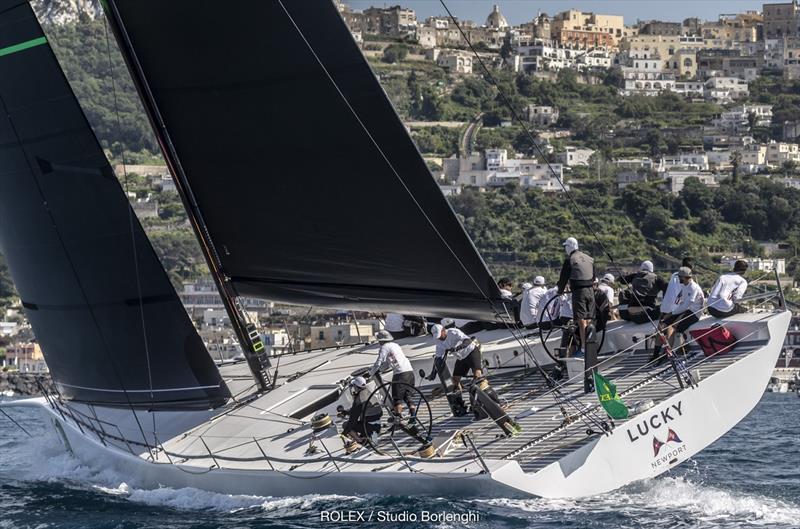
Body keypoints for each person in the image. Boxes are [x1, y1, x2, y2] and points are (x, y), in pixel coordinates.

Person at [557, 237, 595, 357]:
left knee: (581, 320)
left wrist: (560, 291)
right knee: (589, 319)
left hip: (579, 292)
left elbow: (563, 279)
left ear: (569, 247)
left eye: (565, 247)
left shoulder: (570, 260)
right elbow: (593, 277)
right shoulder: (589, 258)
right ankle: (590, 344)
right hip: (590, 290)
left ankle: (584, 348)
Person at [369, 330, 416, 419]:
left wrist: (371, 373)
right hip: (409, 372)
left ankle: (399, 419)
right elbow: (388, 363)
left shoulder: (384, 347)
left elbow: (379, 362)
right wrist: (381, 370)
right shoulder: (395, 345)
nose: (378, 342)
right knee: (407, 396)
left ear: (381, 340)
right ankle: (413, 417)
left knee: (396, 399)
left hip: (400, 374)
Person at [661, 266, 705, 353]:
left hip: (695, 313)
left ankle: (676, 349)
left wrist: (672, 313)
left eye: (679, 277)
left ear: (684, 277)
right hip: (687, 310)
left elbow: (686, 305)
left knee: (673, 327)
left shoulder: (694, 288)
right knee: (663, 323)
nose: (678, 278)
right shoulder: (684, 285)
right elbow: (682, 304)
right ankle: (661, 351)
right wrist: (670, 314)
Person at [428, 323, 482, 393]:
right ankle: (457, 396)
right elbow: (438, 357)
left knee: (477, 374)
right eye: (437, 337)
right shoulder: (438, 341)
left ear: (443, 330)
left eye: (440, 335)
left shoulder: (453, 332)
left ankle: (480, 393)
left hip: (471, 351)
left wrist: (457, 348)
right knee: (455, 380)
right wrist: (433, 373)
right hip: (461, 358)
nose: (439, 338)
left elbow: (468, 340)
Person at [341, 376, 383, 445]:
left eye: (353, 385)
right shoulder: (368, 392)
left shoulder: (359, 399)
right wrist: (346, 412)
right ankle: (368, 436)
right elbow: (356, 411)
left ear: (356, 386)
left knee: (345, 425)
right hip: (377, 426)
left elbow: (353, 419)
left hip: (369, 428)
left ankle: (361, 441)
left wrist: (344, 432)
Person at [660, 257, 694, 322]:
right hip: (672, 311)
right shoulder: (685, 280)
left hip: (664, 309)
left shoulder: (674, 275)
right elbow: (682, 297)